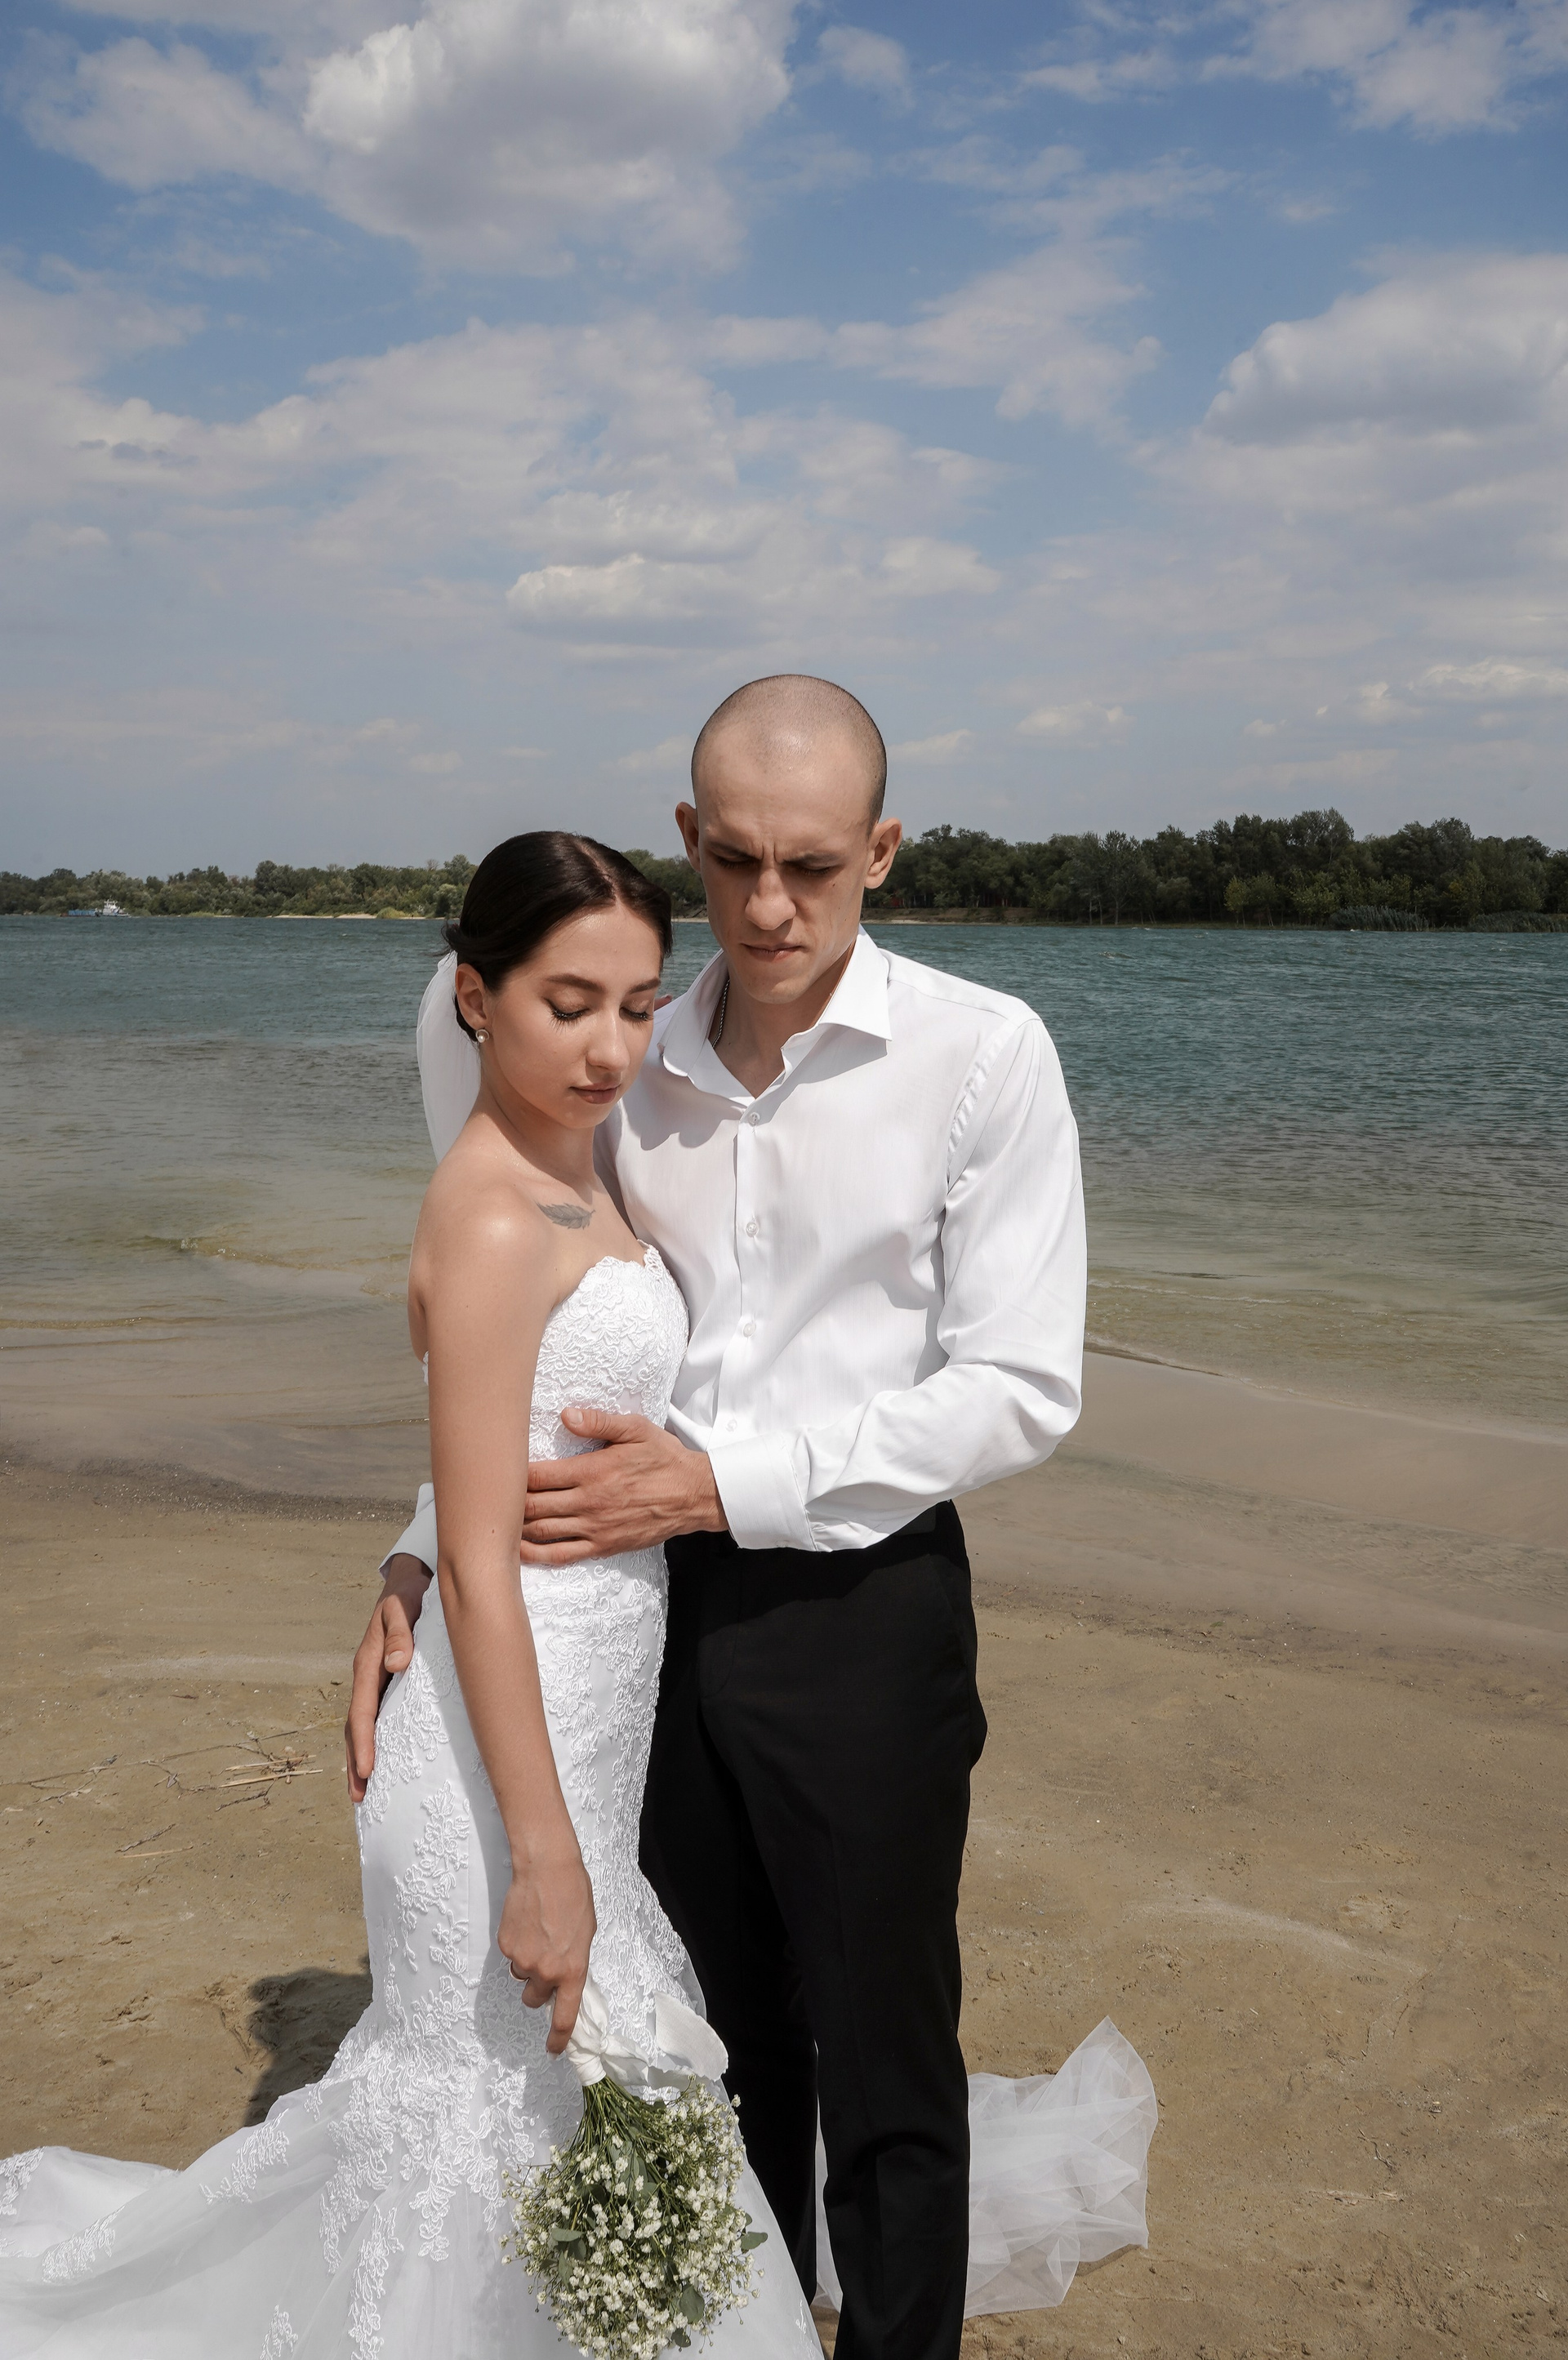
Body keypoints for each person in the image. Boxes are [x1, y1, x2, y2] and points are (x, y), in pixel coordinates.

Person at [352, 677, 1156, 2360]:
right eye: (732, 861)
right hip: (637, 1613)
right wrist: (424, 1544)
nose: (771, 904)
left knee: (887, 2055)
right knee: (716, 2042)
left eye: (813, 864)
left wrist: (727, 1479)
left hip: (862, 1606)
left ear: (884, 849)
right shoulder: (623, 1042)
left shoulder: (984, 1054)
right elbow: (512, 1336)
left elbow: (1022, 1385)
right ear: (687, 838)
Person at [0, 834, 821, 2360]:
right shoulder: (497, 1213)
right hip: (496, 1748)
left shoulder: (579, 1167)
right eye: (567, 1002)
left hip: (580, 1718)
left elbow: (482, 1471)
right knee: (484, 2095)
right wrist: (544, 1851)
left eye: (638, 1004)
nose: (610, 1047)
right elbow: (490, 1565)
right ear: (474, 996)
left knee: (551, 2088)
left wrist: (406, 1554)